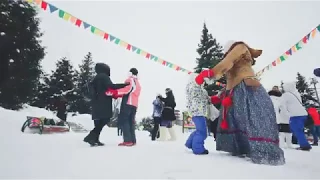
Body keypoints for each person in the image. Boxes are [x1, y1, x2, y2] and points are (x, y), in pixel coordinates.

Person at [196, 40, 285, 165]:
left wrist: (211, 73)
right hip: (235, 90)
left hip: (246, 86)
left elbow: (227, 63)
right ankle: (242, 147)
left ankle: (264, 150)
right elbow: (230, 78)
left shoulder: (239, 47)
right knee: (237, 119)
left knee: (252, 117)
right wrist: (220, 95)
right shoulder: (235, 53)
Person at [83, 63, 129, 146]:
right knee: (105, 119)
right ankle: (90, 136)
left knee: (98, 122)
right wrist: (124, 85)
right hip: (103, 102)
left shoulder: (96, 78)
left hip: (95, 102)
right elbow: (111, 86)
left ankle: (95, 140)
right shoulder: (104, 77)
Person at [185, 73, 211, 155]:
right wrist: (207, 73)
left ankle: (190, 143)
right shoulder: (193, 86)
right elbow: (198, 80)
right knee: (202, 132)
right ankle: (198, 149)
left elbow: (208, 99)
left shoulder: (201, 89)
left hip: (199, 112)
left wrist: (218, 98)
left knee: (199, 130)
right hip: (197, 112)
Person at [280, 82, 311, 151]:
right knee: (298, 130)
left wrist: (286, 114)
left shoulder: (286, 95)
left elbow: (282, 105)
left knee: (296, 130)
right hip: (303, 114)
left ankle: (304, 145)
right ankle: (304, 144)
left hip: (295, 115)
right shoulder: (296, 93)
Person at [115, 68, 141, 146]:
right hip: (134, 105)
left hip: (128, 103)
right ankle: (133, 140)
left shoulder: (130, 80)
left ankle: (127, 140)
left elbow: (127, 89)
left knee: (125, 120)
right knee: (131, 121)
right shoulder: (138, 83)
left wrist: (116, 92)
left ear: (130, 73)